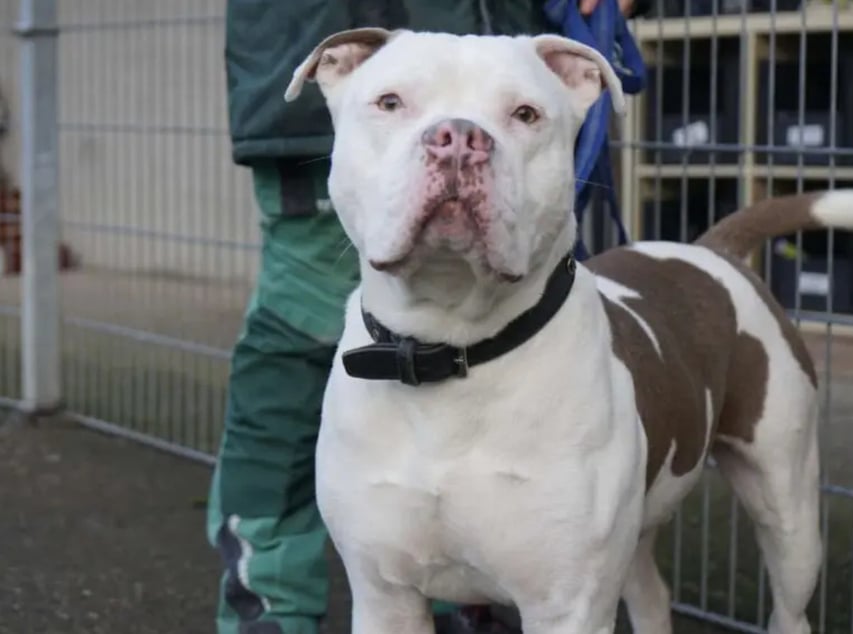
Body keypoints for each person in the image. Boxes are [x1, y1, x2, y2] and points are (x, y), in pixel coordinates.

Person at [206, 2, 635, 633]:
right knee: (294, 346)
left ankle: (470, 598)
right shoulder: (351, 70)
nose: (457, 145)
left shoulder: (536, 69)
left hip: (500, 19)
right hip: (320, 20)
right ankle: (267, 612)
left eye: (519, 116)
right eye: (392, 105)